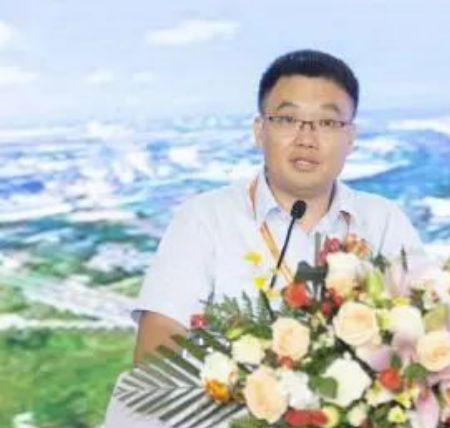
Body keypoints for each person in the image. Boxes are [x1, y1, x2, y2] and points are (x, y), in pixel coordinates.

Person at [132, 49, 424, 364]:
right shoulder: (205, 218)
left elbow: (426, 325)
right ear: (260, 131)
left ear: (350, 138)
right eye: (288, 120)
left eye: (327, 122)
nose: (306, 139)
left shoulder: (383, 222)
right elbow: (159, 339)